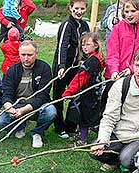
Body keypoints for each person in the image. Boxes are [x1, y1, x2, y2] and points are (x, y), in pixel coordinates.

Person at [91, 47, 139, 171]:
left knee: (126, 159)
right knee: (95, 147)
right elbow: (109, 117)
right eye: (136, 65)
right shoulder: (121, 85)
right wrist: (102, 140)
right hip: (122, 133)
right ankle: (122, 159)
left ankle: (133, 158)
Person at [101, 0, 139, 115]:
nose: (129, 14)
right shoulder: (117, 28)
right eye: (126, 11)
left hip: (138, 75)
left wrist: (133, 69)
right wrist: (114, 71)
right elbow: (112, 52)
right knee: (109, 106)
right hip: (115, 76)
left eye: (133, 11)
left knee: (133, 109)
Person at [0, 40, 56, 148]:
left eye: (30, 55)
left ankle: (37, 132)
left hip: (37, 105)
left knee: (51, 111)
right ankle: (20, 125)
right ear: (19, 54)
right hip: (17, 104)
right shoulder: (12, 70)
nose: (26, 58)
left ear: (36, 54)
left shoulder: (44, 68)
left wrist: (23, 111)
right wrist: (10, 108)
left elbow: (43, 96)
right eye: (23, 55)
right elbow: (6, 94)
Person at [52, 0, 89, 139]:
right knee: (59, 96)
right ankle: (59, 126)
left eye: (82, 8)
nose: (79, 11)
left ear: (85, 9)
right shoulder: (67, 24)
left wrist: (85, 60)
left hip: (77, 67)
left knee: (77, 95)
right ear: (70, 8)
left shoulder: (85, 25)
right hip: (63, 67)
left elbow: (87, 44)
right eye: (76, 8)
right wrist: (61, 67)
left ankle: (71, 125)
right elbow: (62, 45)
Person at [63, 32, 105, 146]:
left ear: (96, 45)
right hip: (95, 91)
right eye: (83, 45)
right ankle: (83, 134)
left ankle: (83, 140)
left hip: (88, 93)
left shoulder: (91, 61)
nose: (85, 47)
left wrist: (68, 92)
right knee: (89, 114)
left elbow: (80, 78)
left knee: (83, 116)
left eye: (88, 44)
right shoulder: (97, 58)